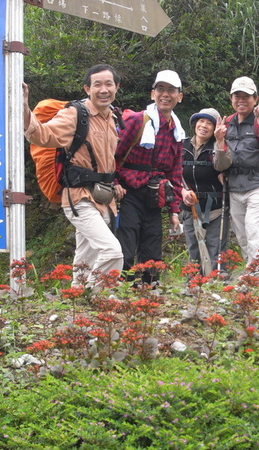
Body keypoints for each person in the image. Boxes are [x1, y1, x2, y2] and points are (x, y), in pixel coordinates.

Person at [23, 64, 123, 288]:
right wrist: (23, 108)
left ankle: (77, 299)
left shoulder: (113, 118)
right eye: (97, 84)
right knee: (112, 251)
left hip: (103, 198)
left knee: (85, 258)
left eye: (109, 84)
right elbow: (43, 135)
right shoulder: (75, 114)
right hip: (79, 198)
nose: (103, 89)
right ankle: (95, 299)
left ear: (117, 87)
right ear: (87, 88)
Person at [114, 70, 185, 284]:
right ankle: (122, 292)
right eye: (160, 89)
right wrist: (115, 183)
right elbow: (113, 155)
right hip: (128, 191)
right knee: (126, 243)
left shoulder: (177, 131)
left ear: (179, 96)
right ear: (152, 93)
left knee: (152, 246)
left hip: (155, 195)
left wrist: (174, 211)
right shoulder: (137, 121)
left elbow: (175, 172)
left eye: (171, 90)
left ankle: (149, 293)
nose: (165, 94)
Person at [214, 76, 259, 266]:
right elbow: (222, 159)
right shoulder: (227, 122)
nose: (241, 100)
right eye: (237, 96)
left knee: (253, 228)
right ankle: (252, 269)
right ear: (231, 98)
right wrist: (219, 141)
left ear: (255, 98)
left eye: (246, 96)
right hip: (234, 185)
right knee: (241, 232)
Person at [180, 108, 230, 275]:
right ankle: (193, 284)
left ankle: (216, 283)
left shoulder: (218, 147)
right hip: (190, 207)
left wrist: (220, 142)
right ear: (195, 123)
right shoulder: (182, 145)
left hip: (215, 207)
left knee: (215, 248)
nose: (204, 126)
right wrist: (182, 191)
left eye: (210, 123)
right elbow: (173, 173)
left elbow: (222, 166)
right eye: (201, 121)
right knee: (193, 248)